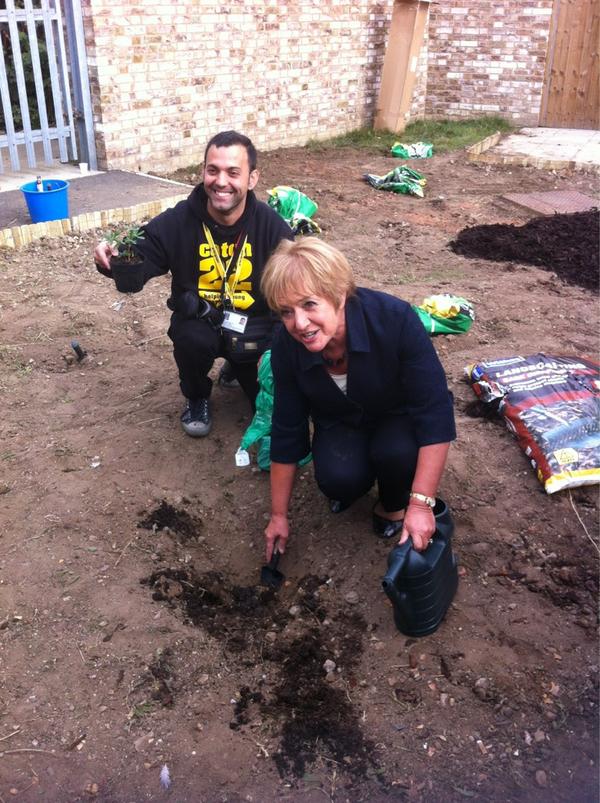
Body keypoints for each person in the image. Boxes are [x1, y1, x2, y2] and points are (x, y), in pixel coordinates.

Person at [260, 238, 456, 561]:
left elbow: (434, 411)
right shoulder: (286, 344)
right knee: (338, 478)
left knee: (397, 453)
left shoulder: (395, 319)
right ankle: (355, 484)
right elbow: (287, 426)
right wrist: (278, 515)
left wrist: (421, 504)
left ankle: (393, 504)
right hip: (340, 420)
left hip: (397, 417)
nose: (300, 324)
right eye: (286, 312)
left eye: (309, 304)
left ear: (339, 295)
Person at [94, 131, 293, 437]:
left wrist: (275, 353)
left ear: (252, 178)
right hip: (201, 321)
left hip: (251, 326)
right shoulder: (179, 221)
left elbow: (293, 293)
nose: (221, 181)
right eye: (213, 170)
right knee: (190, 338)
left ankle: (239, 366)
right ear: (203, 172)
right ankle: (197, 396)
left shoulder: (272, 228)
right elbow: (140, 257)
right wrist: (111, 259)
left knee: (266, 403)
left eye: (233, 172)